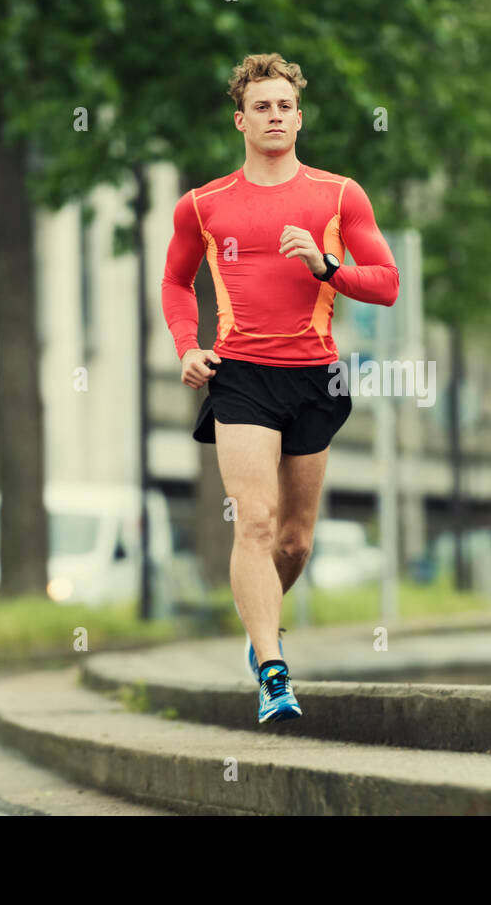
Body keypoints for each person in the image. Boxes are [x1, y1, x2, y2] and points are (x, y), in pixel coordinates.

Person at [161, 53, 398, 723]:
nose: (274, 116)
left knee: (293, 541)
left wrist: (328, 268)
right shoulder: (202, 205)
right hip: (240, 376)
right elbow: (175, 282)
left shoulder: (339, 194)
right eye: (261, 106)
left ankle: (257, 624)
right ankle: (272, 668)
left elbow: (387, 281)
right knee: (255, 520)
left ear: (300, 117)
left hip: (314, 375)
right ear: (242, 120)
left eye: (284, 106)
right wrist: (187, 347)